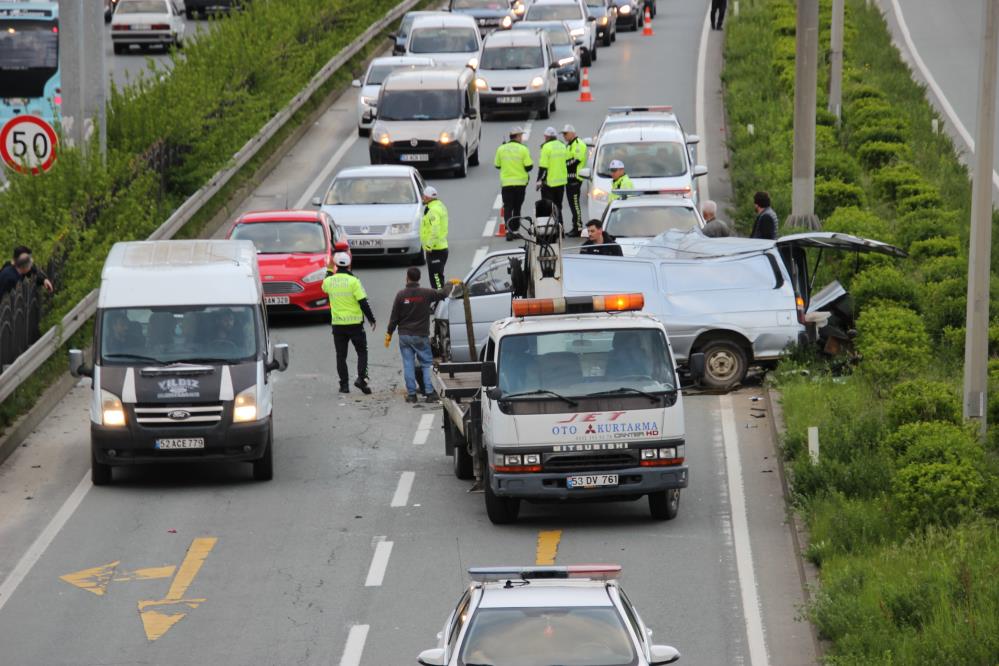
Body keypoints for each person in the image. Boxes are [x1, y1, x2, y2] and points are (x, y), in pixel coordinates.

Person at [385, 267, 449, 403]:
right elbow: (443, 293)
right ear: (419, 278)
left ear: (407, 277)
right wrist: (450, 284)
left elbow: (394, 317)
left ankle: (412, 394)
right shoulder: (426, 293)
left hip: (405, 336)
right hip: (420, 335)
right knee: (426, 364)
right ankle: (430, 392)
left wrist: (389, 333)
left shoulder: (401, 295)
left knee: (408, 364)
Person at [322, 252, 377, 394]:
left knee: (341, 356)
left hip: (338, 325)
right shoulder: (354, 281)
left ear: (335, 265)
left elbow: (324, 286)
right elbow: (363, 302)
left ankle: (344, 386)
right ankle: (361, 379)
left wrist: (329, 269)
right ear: (349, 265)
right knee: (362, 352)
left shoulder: (329, 281)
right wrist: (371, 319)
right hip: (355, 324)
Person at [494, 126, 533, 241]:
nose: (522, 138)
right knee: (517, 208)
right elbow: (529, 166)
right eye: (521, 136)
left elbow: (497, 165)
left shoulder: (501, 149)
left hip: (507, 184)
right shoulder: (523, 149)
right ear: (517, 136)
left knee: (507, 207)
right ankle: (515, 230)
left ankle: (508, 231)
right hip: (520, 184)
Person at [537, 126, 568, 229]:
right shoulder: (562, 145)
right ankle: (561, 228)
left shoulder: (546, 147)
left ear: (546, 137)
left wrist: (539, 181)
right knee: (558, 206)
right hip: (561, 182)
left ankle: (550, 230)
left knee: (548, 207)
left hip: (549, 183)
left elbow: (543, 167)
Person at [420, 186, 449, 289]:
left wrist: (428, 245)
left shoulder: (433, 211)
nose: (422, 198)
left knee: (436, 281)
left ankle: (440, 302)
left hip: (435, 249)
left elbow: (435, 230)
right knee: (437, 278)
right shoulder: (440, 205)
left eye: (424, 196)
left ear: (428, 197)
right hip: (440, 247)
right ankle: (440, 301)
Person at [562, 124, 588, 235]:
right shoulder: (568, 145)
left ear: (573, 133)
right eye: (563, 134)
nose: (564, 136)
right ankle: (575, 226)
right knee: (572, 204)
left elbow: (575, 161)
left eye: (565, 134)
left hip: (575, 179)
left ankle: (578, 228)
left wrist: (562, 166)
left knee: (575, 203)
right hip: (568, 179)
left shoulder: (579, 144)